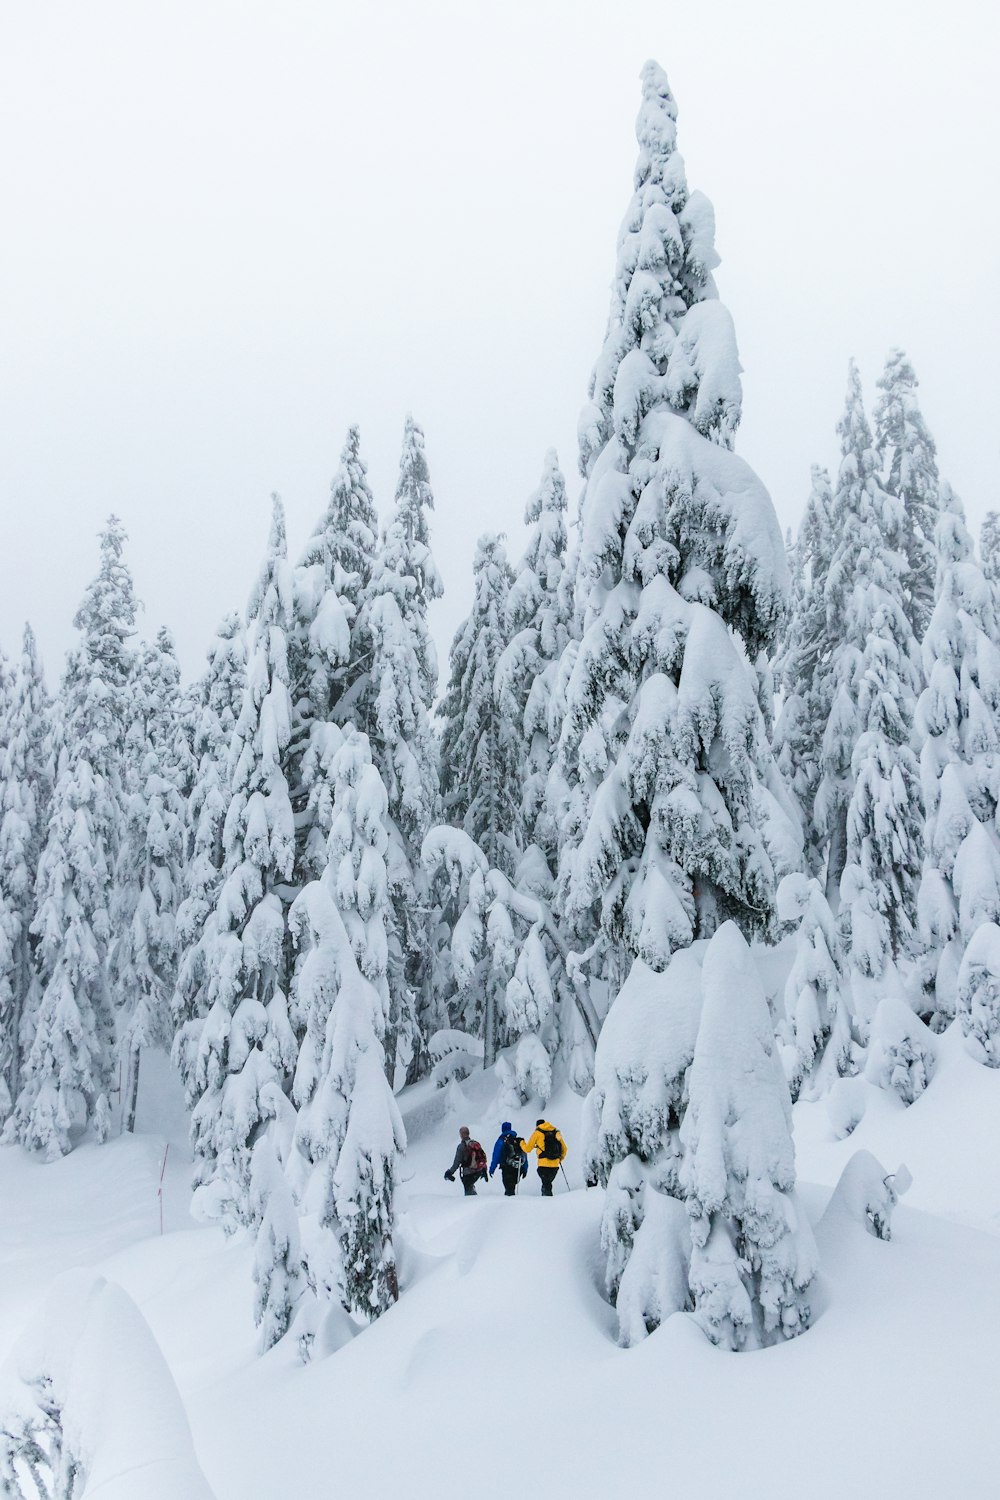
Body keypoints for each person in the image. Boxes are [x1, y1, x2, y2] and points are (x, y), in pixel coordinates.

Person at [520, 1119, 567, 1195]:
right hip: (555, 1165)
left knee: (546, 1184)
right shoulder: (555, 1133)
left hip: (543, 1164)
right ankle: (546, 1199)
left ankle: (547, 1201)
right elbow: (565, 1149)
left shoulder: (537, 1133)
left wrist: (521, 1143)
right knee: (547, 1184)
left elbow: (528, 1149)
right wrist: (560, 1159)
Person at [444, 1125, 487, 1196]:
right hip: (478, 1171)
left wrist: (450, 1172)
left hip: (468, 1173)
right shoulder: (475, 1144)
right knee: (471, 1188)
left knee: (469, 1193)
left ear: (461, 1135)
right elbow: (481, 1157)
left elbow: (456, 1163)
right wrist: (484, 1170)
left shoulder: (461, 1147)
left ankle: (474, 1204)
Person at [489, 1121, 528, 1196]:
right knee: (512, 1187)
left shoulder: (501, 1141)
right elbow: (524, 1154)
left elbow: (496, 1156)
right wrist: (525, 1168)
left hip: (506, 1167)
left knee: (509, 1188)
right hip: (517, 1167)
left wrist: (492, 1169)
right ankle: (511, 1202)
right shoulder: (517, 1141)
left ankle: (510, 1204)